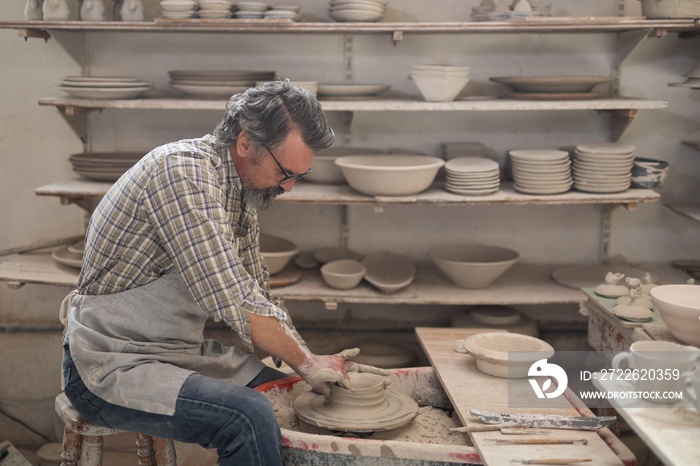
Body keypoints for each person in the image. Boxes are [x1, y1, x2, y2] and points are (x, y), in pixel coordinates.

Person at [59, 80, 389, 465]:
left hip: (174, 352)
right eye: (285, 172)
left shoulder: (237, 190)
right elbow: (232, 298)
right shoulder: (182, 174)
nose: (291, 187)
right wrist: (308, 362)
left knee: (290, 392)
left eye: (300, 174)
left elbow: (257, 292)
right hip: (109, 362)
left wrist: (309, 363)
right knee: (248, 416)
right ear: (246, 142)